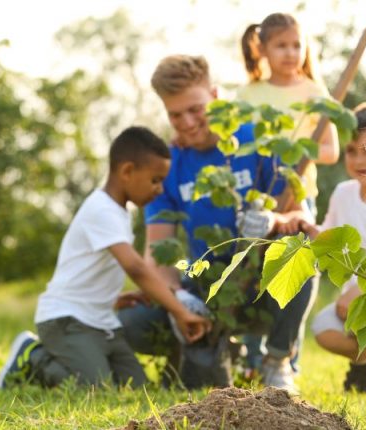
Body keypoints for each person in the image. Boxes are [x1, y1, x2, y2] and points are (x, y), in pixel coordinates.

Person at [116, 55, 315, 394]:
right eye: (175, 115)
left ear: (216, 96)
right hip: (203, 283)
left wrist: (273, 219)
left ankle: (277, 361)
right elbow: (159, 251)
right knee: (132, 323)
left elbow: (303, 220)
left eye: (196, 109)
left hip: (258, 283)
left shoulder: (259, 140)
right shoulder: (169, 164)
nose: (188, 122)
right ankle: (203, 350)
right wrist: (178, 299)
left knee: (298, 252)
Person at [0, 126, 210, 389]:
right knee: (95, 388)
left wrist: (115, 298)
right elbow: (136, 267)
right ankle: (32, 357)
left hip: (100, 321)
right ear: (127, 171)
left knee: (135, 387)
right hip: (66, 320)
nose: (159, 189)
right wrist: (179, 311)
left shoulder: (118, 212)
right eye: (155, 180)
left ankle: (84, 361)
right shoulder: (102, 210)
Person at [276, 103, 366, 393]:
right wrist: (301, 220)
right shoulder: (344, 194)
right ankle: (365, 360)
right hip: (352, 302)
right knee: (323, 330)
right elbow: (326, 237)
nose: (358, 159)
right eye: (351, 150)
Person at [237, 11, 339, 375]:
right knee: (252, 273)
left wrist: (301, 153)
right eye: (281, 45)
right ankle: (250, 355)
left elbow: (331, 151)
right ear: (262, 48)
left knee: (295, 269)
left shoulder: (313, 92)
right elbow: (237, 149)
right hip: (259, 199)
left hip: (299, 199)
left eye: (296, 44)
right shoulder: (250, 93)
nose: (290, 53)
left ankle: (283, 358)